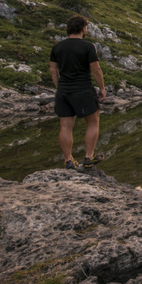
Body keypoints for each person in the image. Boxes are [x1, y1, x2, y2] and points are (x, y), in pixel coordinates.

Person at [49, 15, 107, 170]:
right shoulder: (88, 47)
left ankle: (68, 160)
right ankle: (89, 157)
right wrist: (101, 88)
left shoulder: (57, 47)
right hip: (83, 90)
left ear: (68, 29)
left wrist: (59, 86)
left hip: (64, 91)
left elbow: (53, 69)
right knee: (93, 122)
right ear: (84, 28)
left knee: (65, 126)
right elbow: (95, 69)